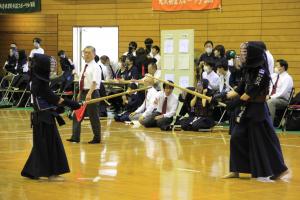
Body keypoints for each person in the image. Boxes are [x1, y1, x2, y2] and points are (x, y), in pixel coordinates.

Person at [222, 41, 288, 180]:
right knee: (236, 137)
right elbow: (240, 89)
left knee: (265, 141)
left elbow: (250, 92)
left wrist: (235, 103)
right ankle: (236, 170)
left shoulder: (262, 72)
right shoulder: (248, 69)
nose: (242, 55)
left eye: (245, 52)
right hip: (247, 109)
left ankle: (279, 169)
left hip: (257, 111)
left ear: (253, 54)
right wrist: (221, 96)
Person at [21, 54, 80, 181]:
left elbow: (48, 98)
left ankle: (31, 171)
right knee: (49, 144)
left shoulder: (36, 79)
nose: (51, 66)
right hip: (43, 118)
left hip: (43, 116)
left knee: (43, 144)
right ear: (43, 66)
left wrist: (59, 106)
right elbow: (53, 98)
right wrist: (71, 103)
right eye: (49, 64)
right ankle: (51, 174)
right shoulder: (38, 82)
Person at [67, 46, 102, 144]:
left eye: (89, 53)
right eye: (85, 52)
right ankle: (75, 137)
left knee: (93, 116)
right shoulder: (85, 66)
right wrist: (80, 93)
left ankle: (97, 138)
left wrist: (89, 94)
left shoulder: (96, 67)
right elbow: (82, 80)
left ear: (94, 54)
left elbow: (95, 82)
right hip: (83, 93)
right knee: (77, 115)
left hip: (92, 93)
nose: (86, 54)